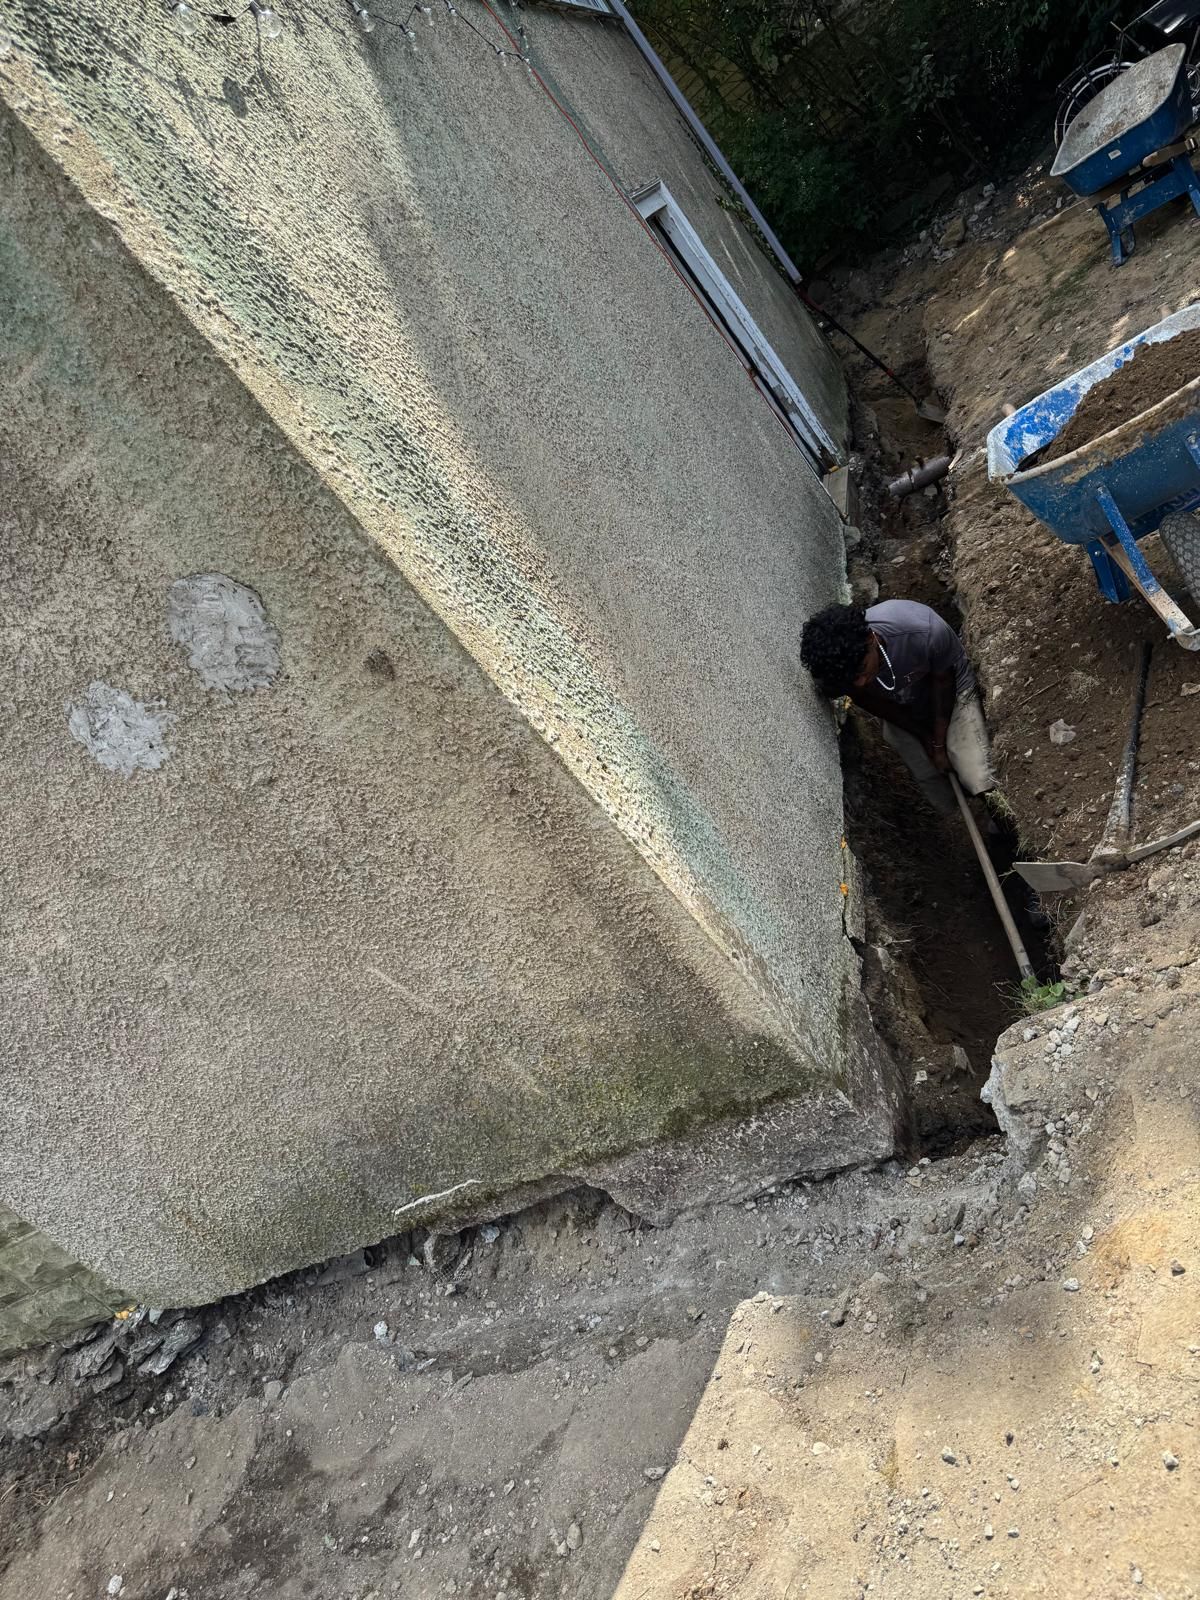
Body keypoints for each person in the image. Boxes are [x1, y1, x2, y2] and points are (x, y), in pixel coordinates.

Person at [800, 598, 994, 817]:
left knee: (977, 775)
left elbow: (943, 683)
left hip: (952, 692)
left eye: (864, 669)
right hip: (903, 701)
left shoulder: (925, 632)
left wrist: (939, 745)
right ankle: (955, 813)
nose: (862, 682)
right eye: (853, 678)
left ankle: (1000, 825)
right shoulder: (840, 668)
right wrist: (923, 736)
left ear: (871, 640)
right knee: (926, 771)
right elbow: (866, 699)